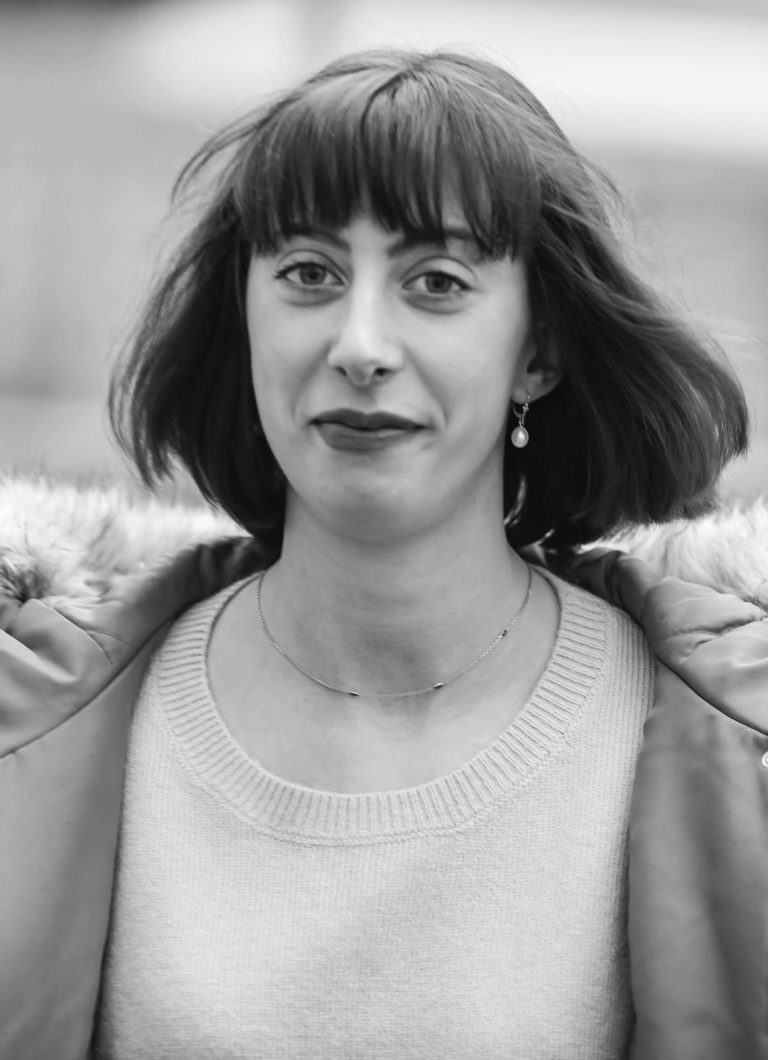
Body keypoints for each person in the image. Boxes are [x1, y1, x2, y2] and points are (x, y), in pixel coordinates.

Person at [1, 48, 766, 1060]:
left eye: (436, 282)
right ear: (244, 318)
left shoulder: (732, 743)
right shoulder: (37, 719)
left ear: (538, 353)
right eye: (309, 274)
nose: (360, 345)